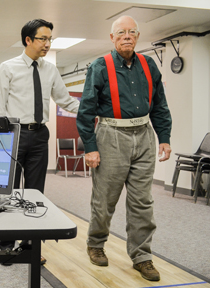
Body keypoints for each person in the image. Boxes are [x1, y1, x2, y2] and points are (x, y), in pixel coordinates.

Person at [76, 15, 172, 281]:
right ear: (112, 38)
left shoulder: (149, 64)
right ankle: (96, 244)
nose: (126, 36)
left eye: (131, 32)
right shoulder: (100, 66)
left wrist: (164, 137)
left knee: (143, 201)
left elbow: (160, 105)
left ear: (138, 36)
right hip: (111, 136)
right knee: (105, 199)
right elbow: (85, 112)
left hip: (144, 136)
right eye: (121, 32)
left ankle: (142, 256)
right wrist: (91, 147)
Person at [0, 18, 80, 263]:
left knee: (34, 193)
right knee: (8, 192)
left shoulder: (50, 69)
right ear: (28, 40)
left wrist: (91, 109)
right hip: (14, 134)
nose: (48, 44)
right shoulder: (7, 68)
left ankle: (30, 245)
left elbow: (66, 100)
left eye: (50, 39)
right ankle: (7, 245)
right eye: (43, 38)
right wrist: (2, 139)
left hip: (40, 135)